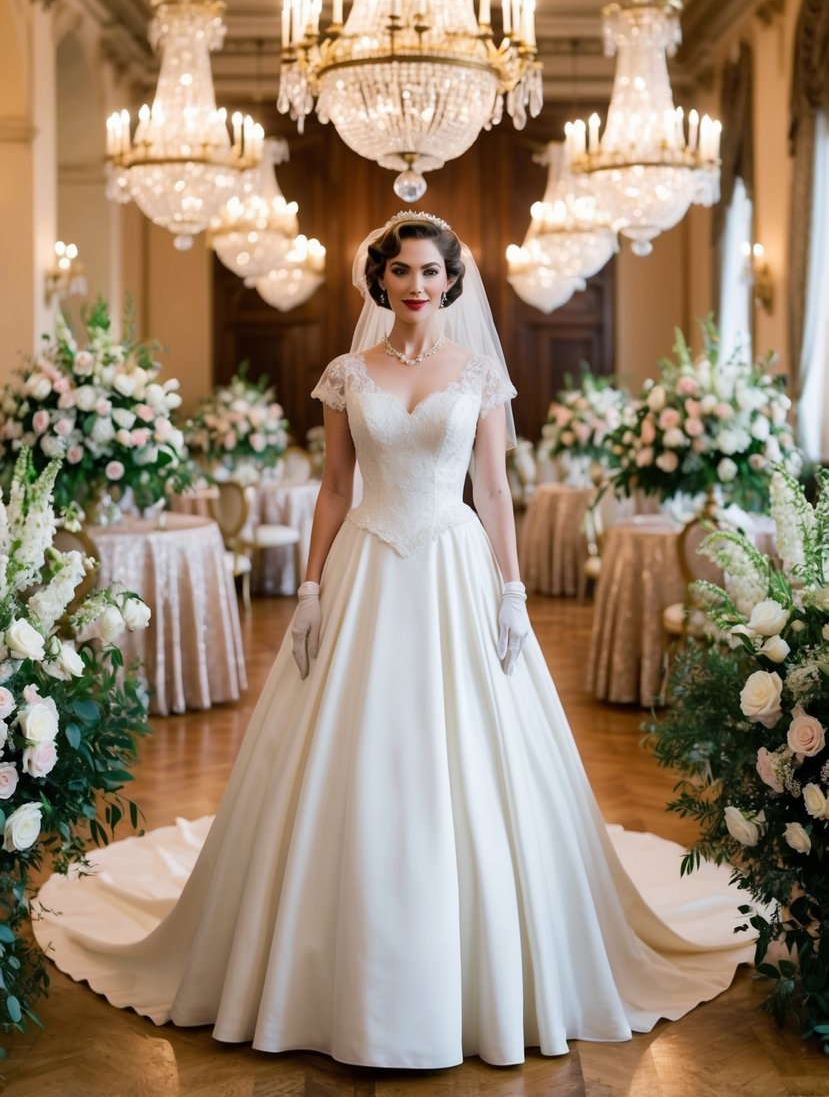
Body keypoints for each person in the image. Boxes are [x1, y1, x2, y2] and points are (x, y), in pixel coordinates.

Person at [34, 213, 751, 1070]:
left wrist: (513, 592)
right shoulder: (347, 372)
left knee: (470, 748)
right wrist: (306, 589)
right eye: (401, 272)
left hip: (453, 565)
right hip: (365, 565)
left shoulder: (478, 372)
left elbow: (492, 490)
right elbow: (333, 489)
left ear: (451, 283)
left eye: (430, 273)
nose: (416, 286)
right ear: (381, 282)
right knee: (352, 750)